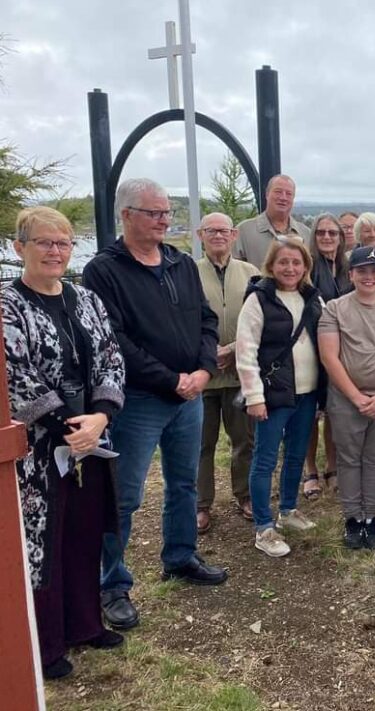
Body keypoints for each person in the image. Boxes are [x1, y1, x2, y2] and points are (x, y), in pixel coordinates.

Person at [84, 178, 226, 632]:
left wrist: (203, 371)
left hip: (189, 396)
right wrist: (171, 380)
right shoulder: (104, 271)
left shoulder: (179, 262)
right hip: (140, 399)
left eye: (167, 212)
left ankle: (180, 557)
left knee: (183, 482)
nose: (165, 220)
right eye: (155, 213)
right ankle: (111, 585)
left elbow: (206, 319)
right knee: (123, 495)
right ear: (126, 215)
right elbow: (114, 340)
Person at [3, 206, 126, 679]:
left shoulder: (87, 299)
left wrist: (100, 416)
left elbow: (112, 359)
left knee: (85, 530)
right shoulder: (8, 305)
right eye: (44, 243)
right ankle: (48, 642)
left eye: (64, 243)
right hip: (39, 446)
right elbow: (15, 374)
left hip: (92, 438)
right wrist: (69, 425)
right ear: (19, 248)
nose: (56, 251)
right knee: (45, 541)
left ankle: (85, 623)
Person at [235, 237, 322, 558]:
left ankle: (287, 510)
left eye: (297, 262)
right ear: (272, 265)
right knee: (265, 460)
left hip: (307, 393)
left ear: (305, 267)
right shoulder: (258, 301)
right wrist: (254, 396)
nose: (290, 268)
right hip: (272, 395)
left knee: (296, 454)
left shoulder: (313, 299)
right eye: (284, 262)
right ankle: (263, 526)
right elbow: (245, 352)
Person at [320, 246, 375, 549]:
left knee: (374, 458)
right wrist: (356, 397)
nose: (369, 277)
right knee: (348, 458)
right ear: (351, 274)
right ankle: (352, 517)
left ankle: (372, 516)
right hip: (346, 398)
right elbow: (330, 357)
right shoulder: (334, 309)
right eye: (362, 271)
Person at [195, 212, 260, 531]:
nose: (218, 236)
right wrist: (208, 354)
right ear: (200, 235)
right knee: (200, 444)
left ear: (234, 235)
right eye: (211, 231)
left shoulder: (251, 273)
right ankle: (201, 504)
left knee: (244, 441)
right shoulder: (187, 273)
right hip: (202, 376)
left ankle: (245, 495)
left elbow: (261, 318)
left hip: (239, 374)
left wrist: (234, 349)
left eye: (224, 231)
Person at [302, 213, 352, 500]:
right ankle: (310, 469)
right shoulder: (306, 266)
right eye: (321, 232)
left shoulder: (347, 267)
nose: (327, 237)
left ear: (340, 237)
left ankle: (333, 466)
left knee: (334, 409)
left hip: (342, 347)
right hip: (310, 345)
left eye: (333, 233)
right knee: (310, 411)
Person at [235, 174, 311, 267]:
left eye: (288, 194)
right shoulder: (243, 232)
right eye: (278, 192)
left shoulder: (306, 234)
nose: (283, 197)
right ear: (267, 194)